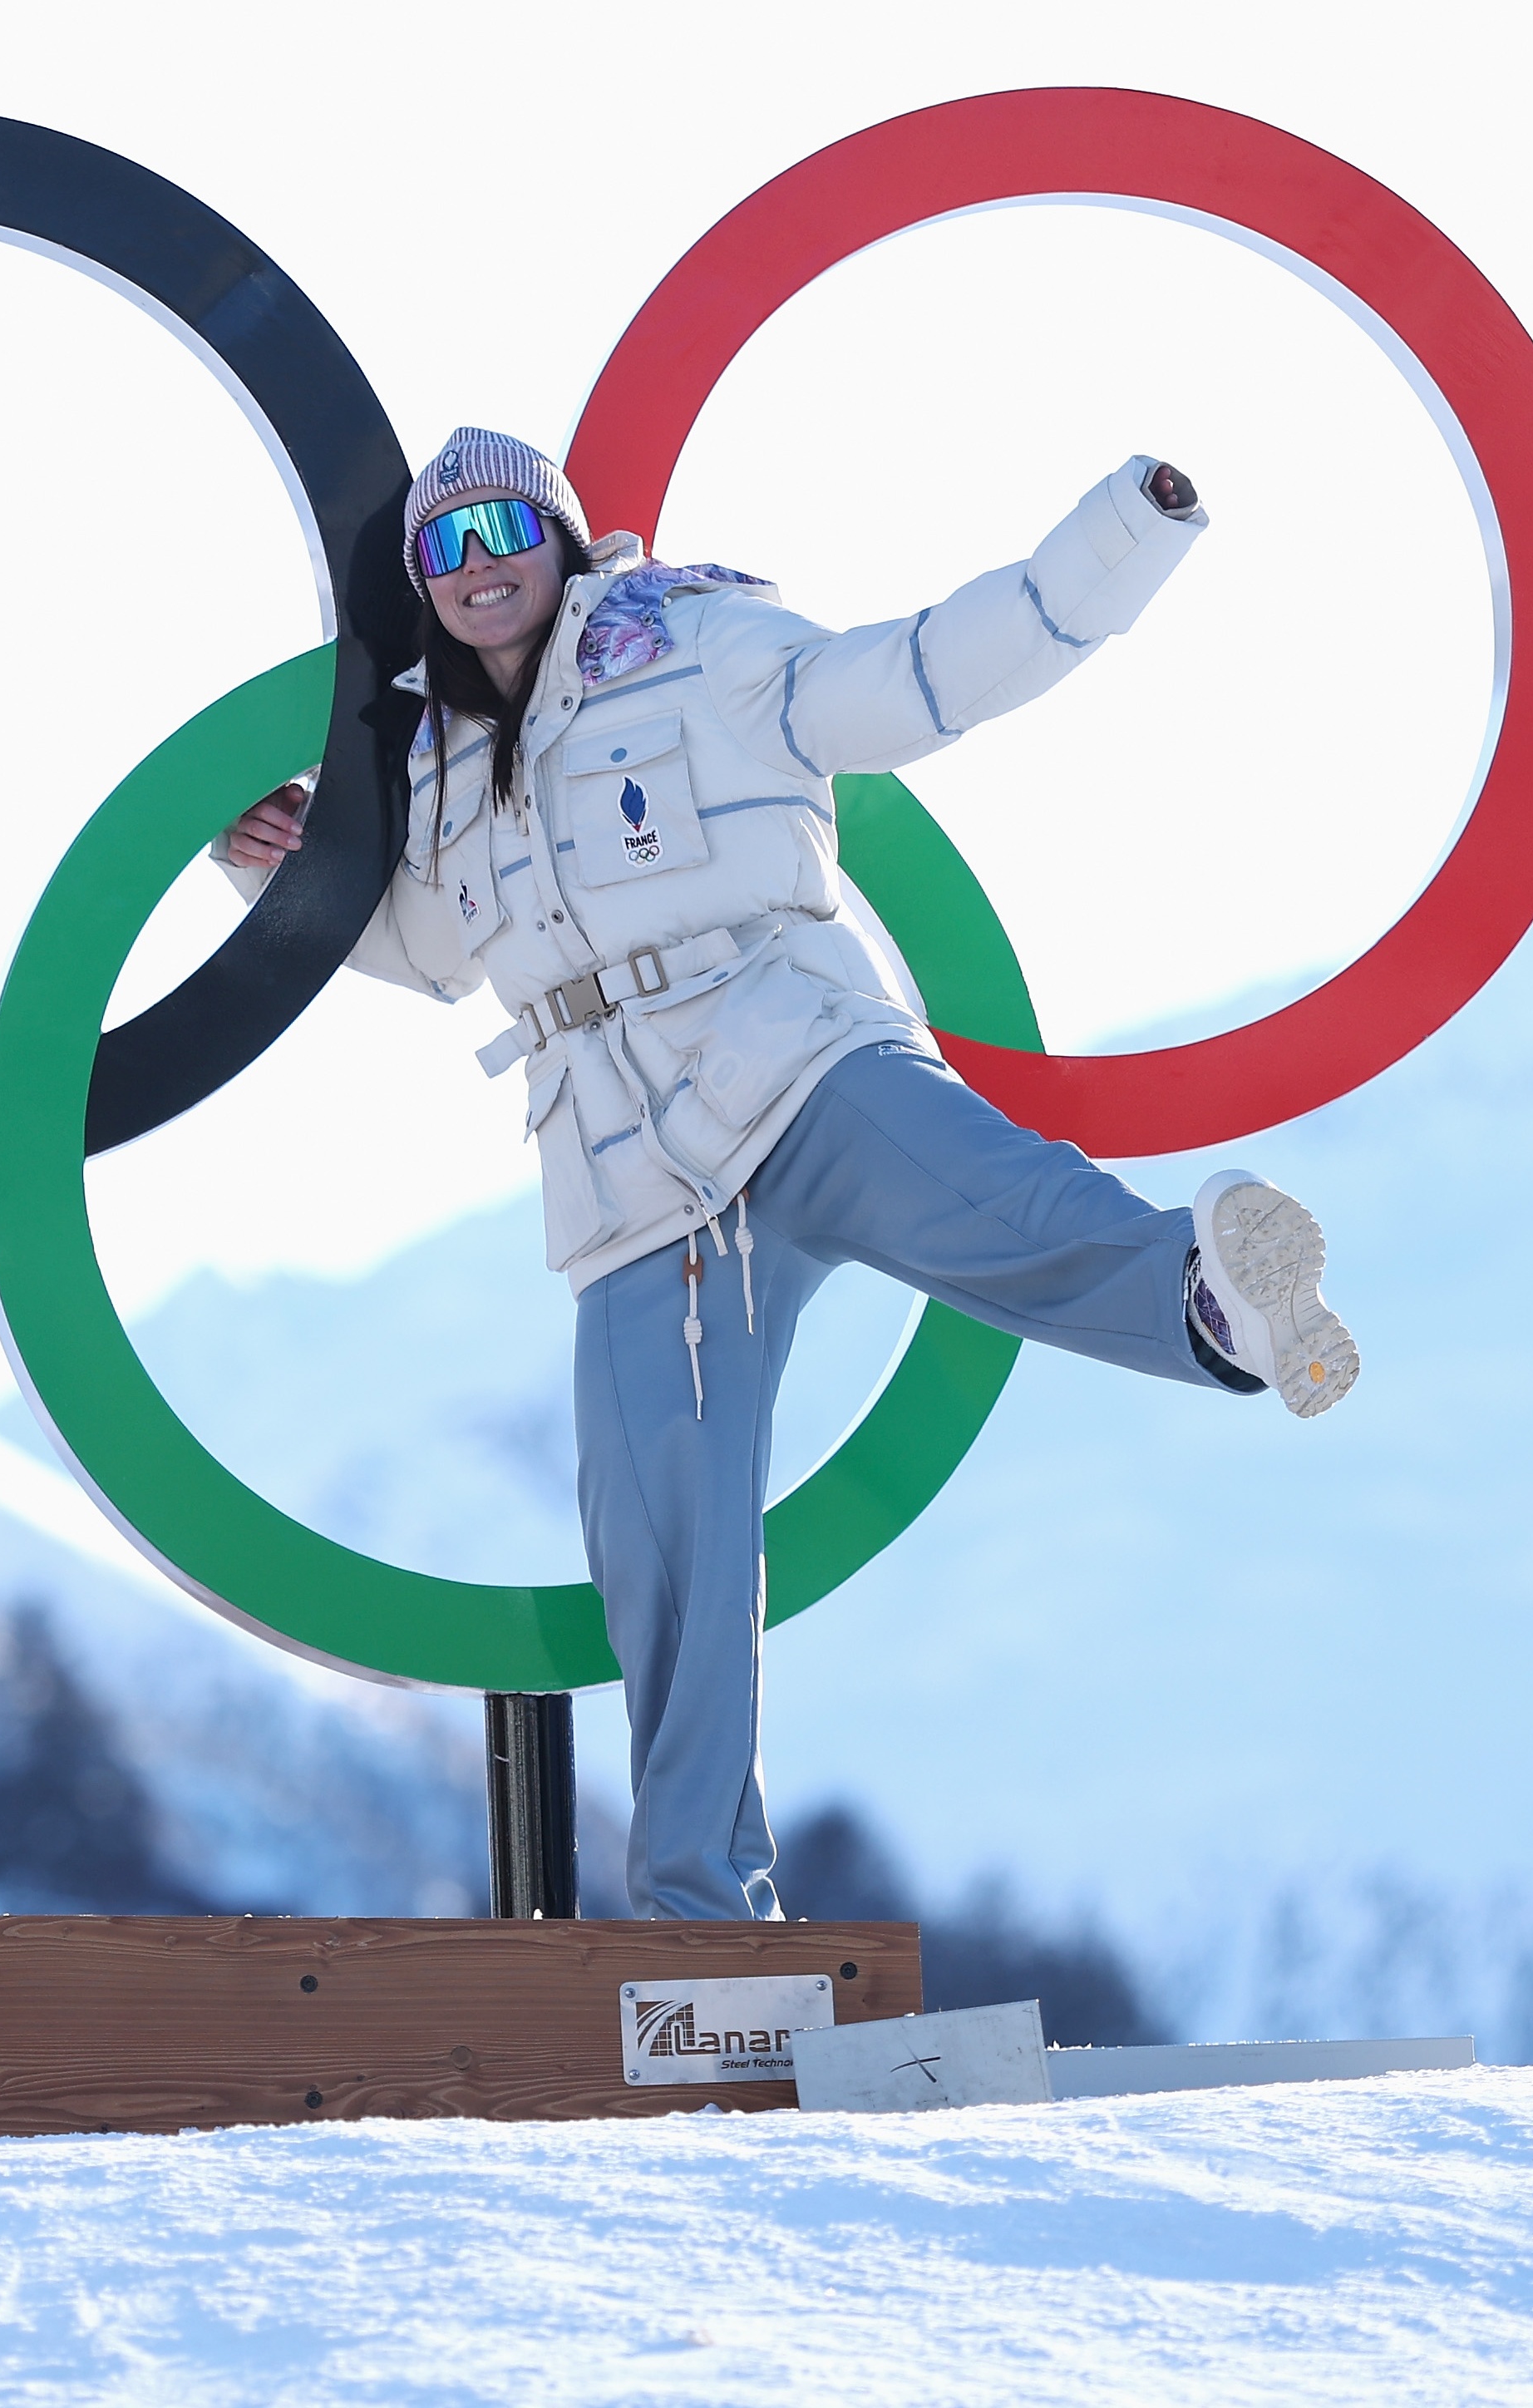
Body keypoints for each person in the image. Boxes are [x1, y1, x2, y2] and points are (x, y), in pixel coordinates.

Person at [219, 427, 1357, 1922]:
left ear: (562, 536)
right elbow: (432, 954)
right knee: (665, 1556)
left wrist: (1122, 534)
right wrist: (280, 872)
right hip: (631, 1195)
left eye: (503, 522)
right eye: (440, 544)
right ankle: (703, 1924)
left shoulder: (697, 639)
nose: (475, 558)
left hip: (793, 1055)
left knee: (1001, 1213)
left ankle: (1215, 1301)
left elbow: (934, 672)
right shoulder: (432, 769)